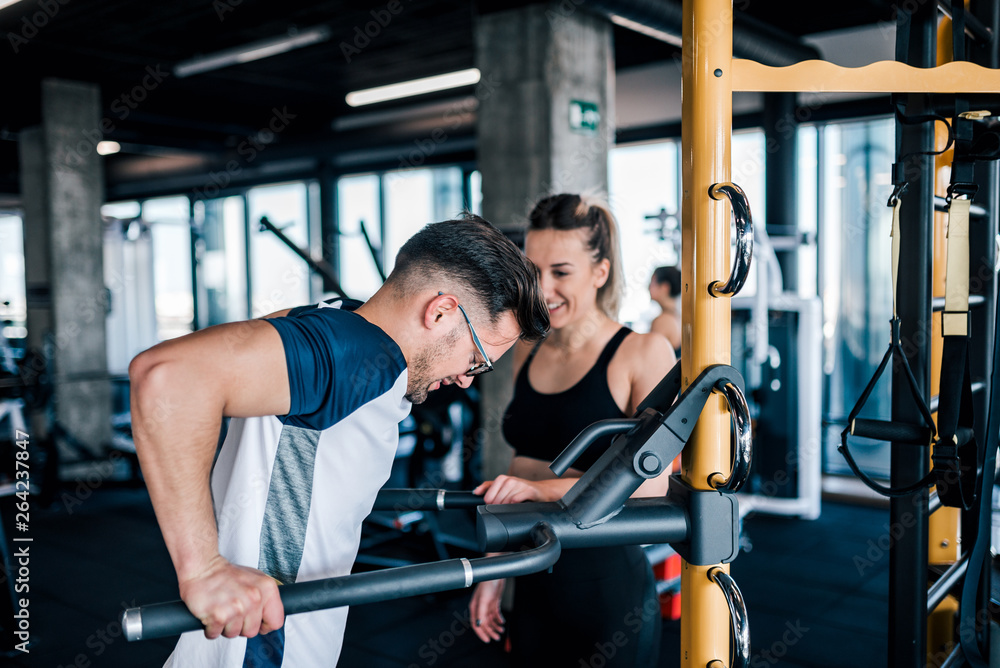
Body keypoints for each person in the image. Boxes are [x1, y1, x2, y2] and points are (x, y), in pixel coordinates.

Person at [129, 214, 549, 667]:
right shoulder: (360, 356)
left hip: (260, 632)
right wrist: (203, 571)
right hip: (263, 644)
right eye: (477, 357)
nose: (468, 379)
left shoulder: (335, 317)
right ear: (441, 311)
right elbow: (167, 378)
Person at [468, 194, 676, 668]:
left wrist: (537, 489)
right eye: (532, 269)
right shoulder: (529, 348)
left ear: (600, 272)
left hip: (606, 589)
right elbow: (520, 466)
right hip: (535, 576)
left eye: (561, 272)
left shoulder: (643, 352)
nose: (541, 288)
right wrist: (495, 570)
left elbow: (652, 482)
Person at [649, 265, 682, 355]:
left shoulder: (663, 321)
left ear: (664, 287)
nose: (648, 287)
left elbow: (652, 358)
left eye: (652, 282)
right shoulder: (677, 317)